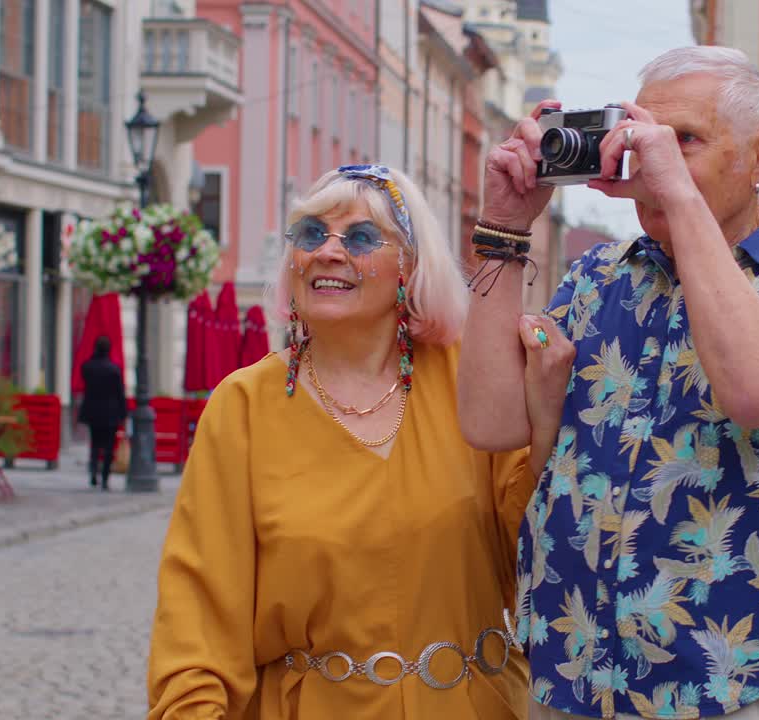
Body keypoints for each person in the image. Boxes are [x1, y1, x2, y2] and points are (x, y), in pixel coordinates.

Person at [458, 46, 759, 719]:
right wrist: (503, 226)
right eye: (647, 136)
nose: (654, 161)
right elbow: (488, 421)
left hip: (730, 691)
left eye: (686, 141)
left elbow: (758, 390)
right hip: (573, 680)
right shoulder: (596, 279)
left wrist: (677, 192)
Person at [146, 164, 576, 720]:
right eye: (310, 235)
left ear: (410, 264)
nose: (328, 251)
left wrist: (545, 421)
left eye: (361, 238)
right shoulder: (244, 405)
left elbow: (539, 543)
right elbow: (197, 609)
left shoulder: (469, 381)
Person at [78, 335, 127, 490]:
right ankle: (105, 478)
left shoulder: (88, 367)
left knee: (94, 443)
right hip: (110, 413)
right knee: (108, 447)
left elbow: (84, 377)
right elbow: (120, 393)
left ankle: (93, 472)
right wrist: (124, 414)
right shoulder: (114, 369)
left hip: (93, 410)